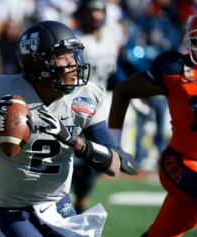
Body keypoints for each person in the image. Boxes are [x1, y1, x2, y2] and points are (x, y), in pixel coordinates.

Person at [0, 20, 137, 237]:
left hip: (56, 203)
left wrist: (73, 140)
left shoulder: (87, 95)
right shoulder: (3, 90)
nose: (74, 63)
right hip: (9, 208)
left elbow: (112, 165)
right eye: (63, 56)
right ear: (38, 63)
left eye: (73, 54)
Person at [108, 9, 197, 237]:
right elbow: (123, 89)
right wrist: (114, 145)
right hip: (180, 163)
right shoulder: (174, 70)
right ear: (190, 41)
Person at [72, 0, 125, 214]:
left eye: (99, 11)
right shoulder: (72, 37)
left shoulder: (111, 36)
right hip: (74, 104)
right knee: (74, 158)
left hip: (100, 105)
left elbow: (115, 70)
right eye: (91, 10)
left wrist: (128, 88)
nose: (95, 16)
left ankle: (81, 201)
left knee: (98, 158)